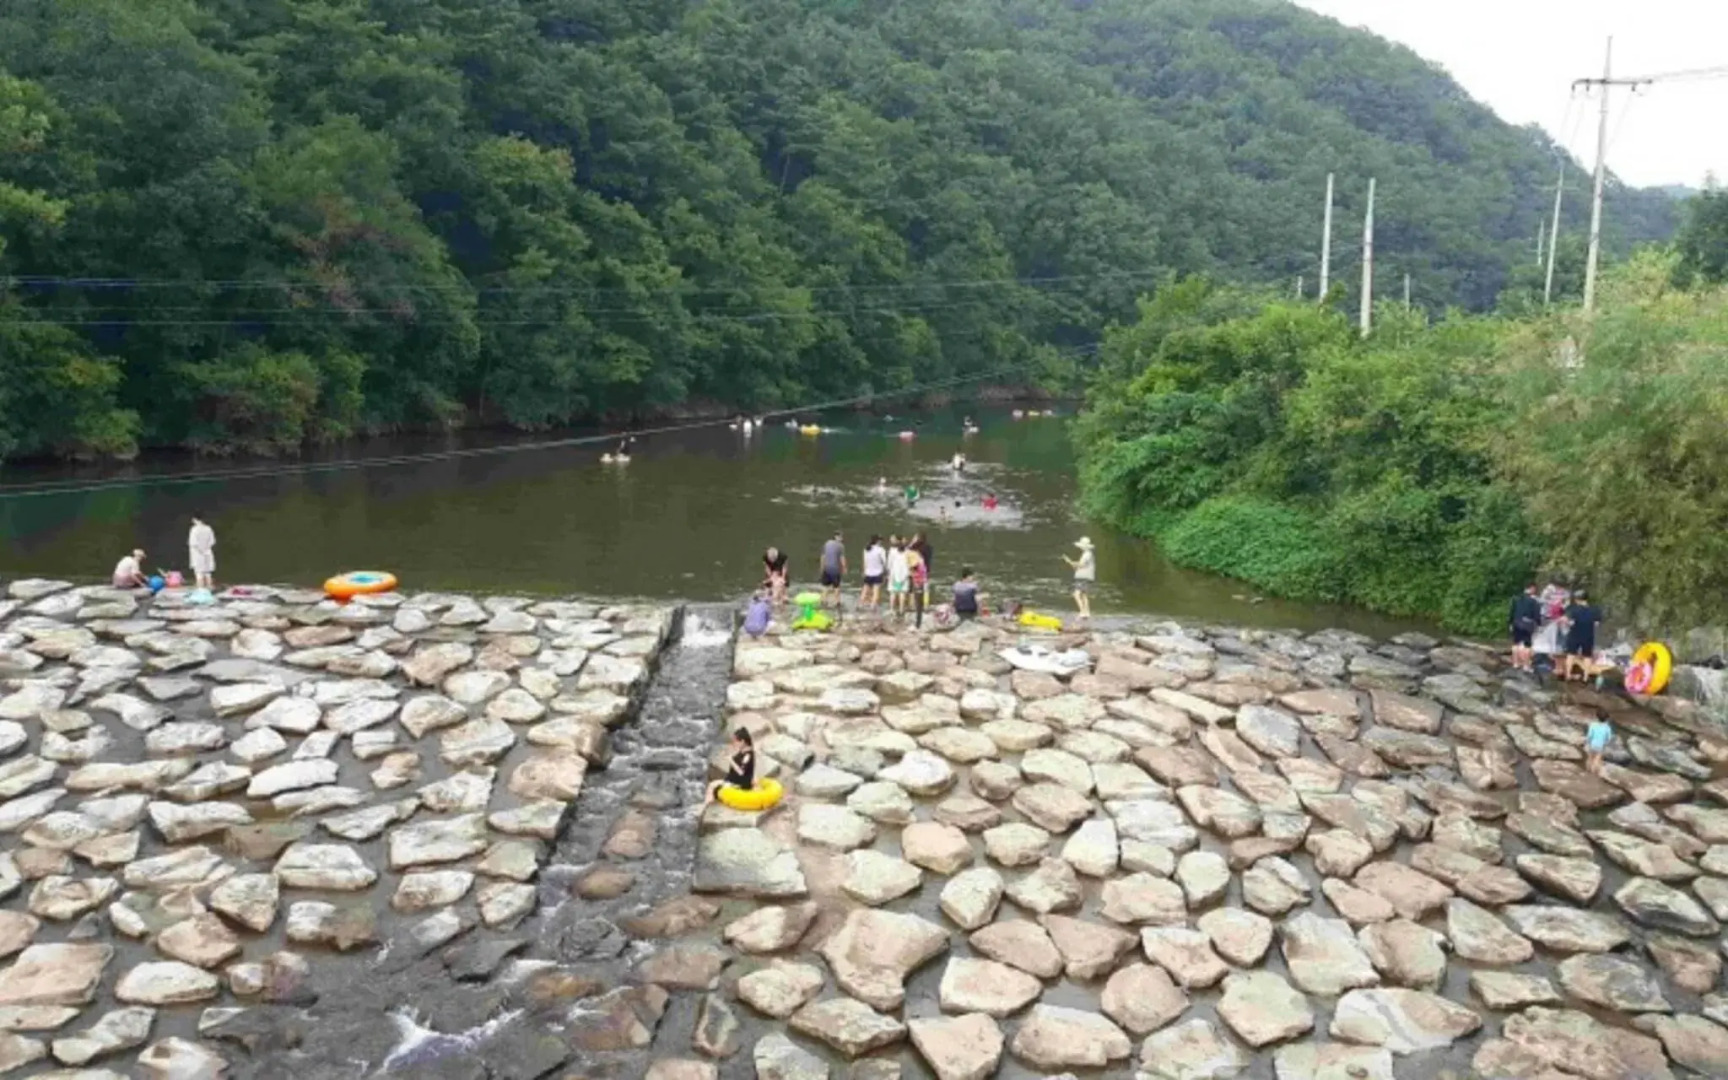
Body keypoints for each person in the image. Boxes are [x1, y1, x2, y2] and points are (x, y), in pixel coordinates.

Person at [705, 728, 757, 804]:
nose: (734, 743)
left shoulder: (747, 755)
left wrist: (730, 760)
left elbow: (741, 772)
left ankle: (707, 805)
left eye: (736, 741)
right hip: (733, 779)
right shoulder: (743, 750)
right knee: (712, 785)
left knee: (713, 787)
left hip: (739, 784)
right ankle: (708, 803)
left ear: (742, 741)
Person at [1562, 589, 1603, 682]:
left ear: (1577, 599)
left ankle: (1568, 675)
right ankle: (1585, 678)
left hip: (1574, 635)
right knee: (1587, 656)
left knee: (1571, 655)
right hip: (1588, 635)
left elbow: (1569, 622)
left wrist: (1567, 623)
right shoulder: (1595, 610)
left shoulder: (1573, 609)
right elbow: (1597, 624)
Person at [1062, 536, 1096, 620]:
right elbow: (1081, 565)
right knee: (1084, 595)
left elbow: (1080, 565)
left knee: (1076, 594)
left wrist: (1069, 562)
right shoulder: (1088, 554)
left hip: (1083, 578)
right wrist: (1072, 563)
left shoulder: (1086, 554)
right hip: (1087, 577)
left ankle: (1082, 612)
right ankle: (1087, 612)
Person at [1509, 583, 1541, 672]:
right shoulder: (1534, 601)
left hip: (1516, 623)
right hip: (1527, 625)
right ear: (1531, 589)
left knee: (1516, 643)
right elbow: (1536, 615)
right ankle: (1526, 666)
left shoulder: (1515, 599)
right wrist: (1538, 625)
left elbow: (1511, 612)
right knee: (1527, 645)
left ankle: (1515, 663)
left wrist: (1510, 623)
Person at [819, 531, 847, 608]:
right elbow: (842, 559)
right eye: (841, 537)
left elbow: (823, 557)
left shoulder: (827, 543)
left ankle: (823, 601)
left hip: (826, 568)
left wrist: (822, 567)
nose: (842, 538)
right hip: (835, 570)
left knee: (825, 586)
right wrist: (844, 568)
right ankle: (837, 602)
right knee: (836, 587)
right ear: (837, 537)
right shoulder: (841, 546)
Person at [188, 515, 217, 590]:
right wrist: (206, 549)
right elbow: (212, 541)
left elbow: (193, 543)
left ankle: (200, 591)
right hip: (208, 553)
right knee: (208, 573)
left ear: (195, 520)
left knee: (199, 573)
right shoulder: (208, 528)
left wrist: (201, 550)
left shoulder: (194, 530)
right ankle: (209, 589)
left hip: (198, 554)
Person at [859, 535, 887, 611]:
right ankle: (873, 607)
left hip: (868, 573)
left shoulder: (866, 549)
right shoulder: (881, 550)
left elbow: (865, 562)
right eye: (880, 540)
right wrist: (885, 573)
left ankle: (860, 605)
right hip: (877, 573)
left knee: (865, 590)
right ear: (878, 541)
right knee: (876, 592)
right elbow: (884, 563)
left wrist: (864, 572)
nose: (881, 542)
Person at [887, 537, 911, 617]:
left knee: (893, 592)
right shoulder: (908, 553)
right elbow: (909, 565)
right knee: (902, 593)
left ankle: (891, 609)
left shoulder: (893, 552)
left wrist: (889, 573)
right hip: (904, 576)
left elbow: (889, 564)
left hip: (894, 575)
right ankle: (901, 610)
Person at [907, 542, 928, 628]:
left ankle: (918, 623)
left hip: (919, 583)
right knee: (919, 605)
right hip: (920, 584)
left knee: (919, 605)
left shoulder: (916, 560)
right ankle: (918, 624)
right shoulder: (918, 561)